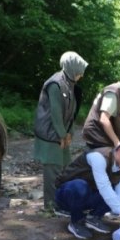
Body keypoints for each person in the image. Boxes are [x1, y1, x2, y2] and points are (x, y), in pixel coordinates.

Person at [55, 138, 120, 240]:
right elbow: (104, 187)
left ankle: (93, 217)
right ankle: (76, 221)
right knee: (80, 186)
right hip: (66, 195)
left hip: (90, 195)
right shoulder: (98, 156)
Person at [33, 51, 88, 212]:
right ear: (72, 68)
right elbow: (55, 113)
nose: (81, 76)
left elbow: (70, 112)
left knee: (65, 169)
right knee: (52, 173)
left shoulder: (69, 83)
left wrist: (69, 133)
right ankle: (50, 207)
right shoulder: (55, 83)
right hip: (50, 135)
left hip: (62, 134)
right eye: (80, 72)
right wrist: (63, 135)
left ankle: (62, 203)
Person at [82, 77, 120, 149]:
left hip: (101, 137)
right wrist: (117, 142)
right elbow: (104, 119)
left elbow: (116, 118)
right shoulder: (112, 94)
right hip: (97, 137)